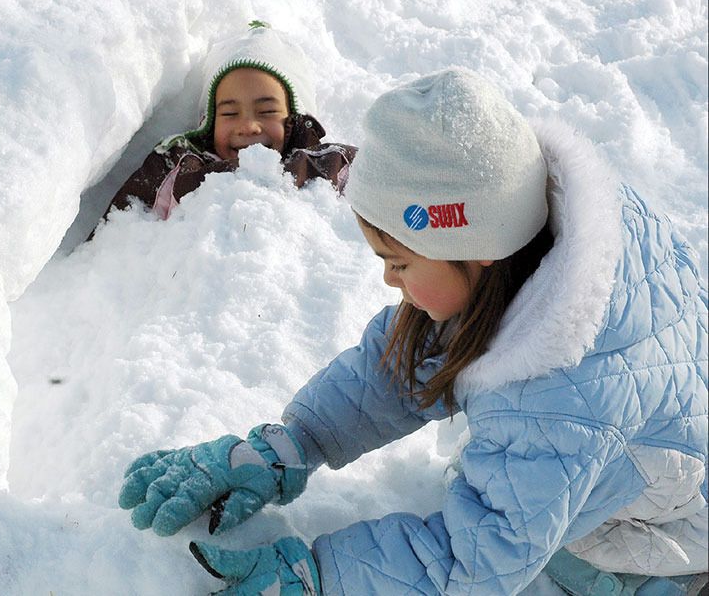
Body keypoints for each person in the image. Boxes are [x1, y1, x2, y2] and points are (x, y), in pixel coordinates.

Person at [118, 69, 708, 595]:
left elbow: (473, 561)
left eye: (399, 263)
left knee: (565, 552)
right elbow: (407, 358)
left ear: (472, 250)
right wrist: (294, 444)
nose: (387, 279)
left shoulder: (555, 406)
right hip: (649, 416)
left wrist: (321, 578)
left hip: (678, 509)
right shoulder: (531, 242)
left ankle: (657, 580)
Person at [104, 21, 356, 221]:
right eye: (229, 113)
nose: (247, 126)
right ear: (208, 123)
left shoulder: (330, 165)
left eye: (266, 111)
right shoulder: (176, 172)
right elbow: (111, 244)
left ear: (297, 120)